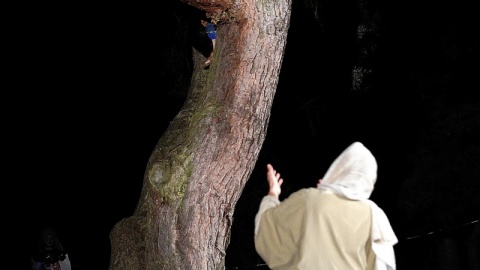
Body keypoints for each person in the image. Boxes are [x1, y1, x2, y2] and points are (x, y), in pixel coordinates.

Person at [254, 142, 398, 270]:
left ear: (340, 168)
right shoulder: (373, 214)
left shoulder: (310, 199)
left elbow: (268, 228)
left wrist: (273, 193)